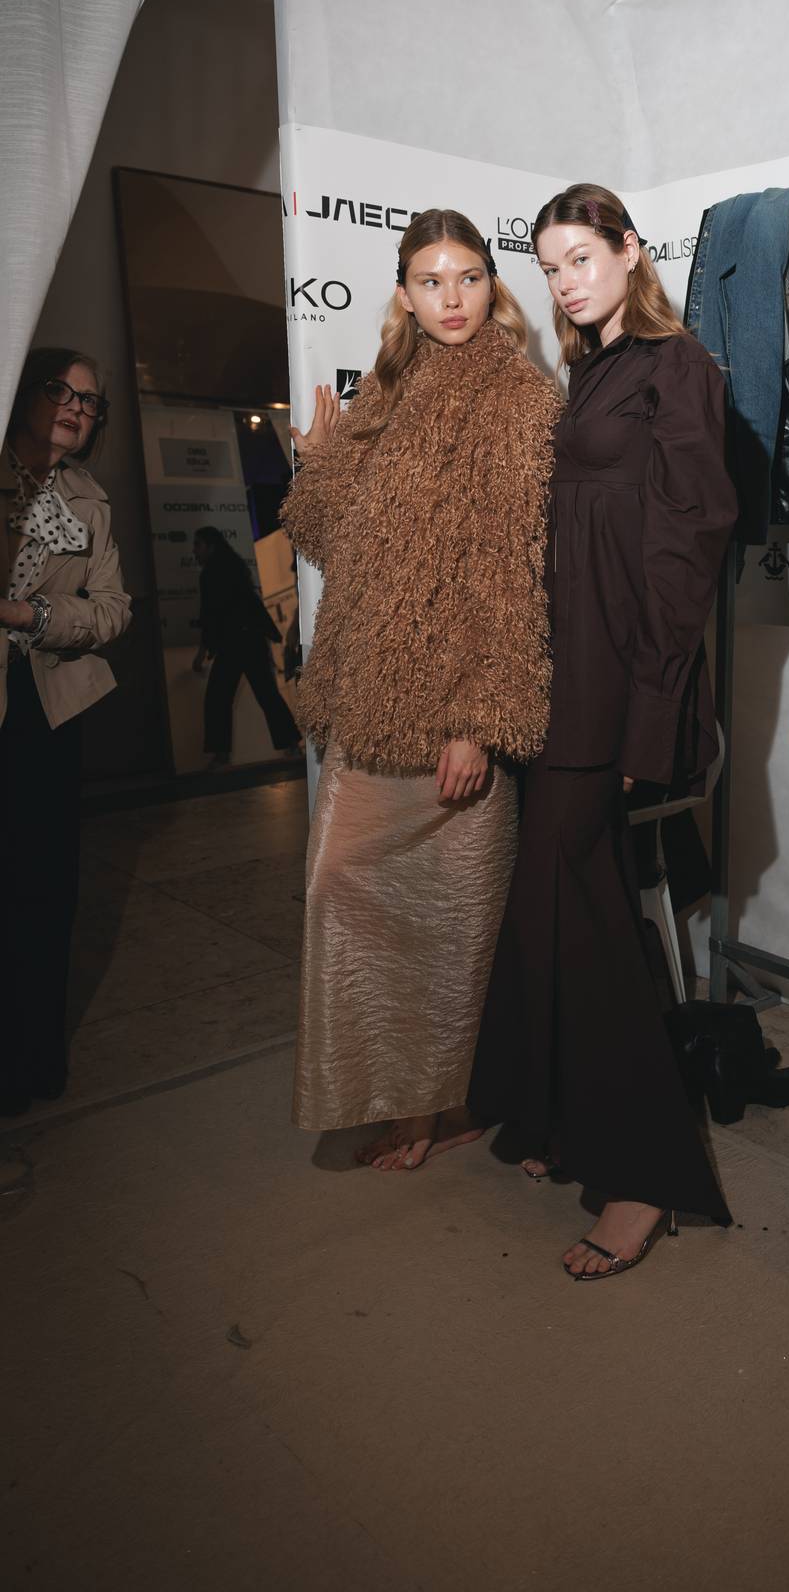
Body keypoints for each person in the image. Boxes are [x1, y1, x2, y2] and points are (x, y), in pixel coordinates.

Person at [469, 182, 738, 1281]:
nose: (565, 282)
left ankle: (642, 1177)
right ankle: (560, 1118)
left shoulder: (679, 369)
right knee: (555, 902)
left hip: (618, 685)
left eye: (581, 257)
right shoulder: (590, 372)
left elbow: (689, 545)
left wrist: (651, 712)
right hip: (559, 679)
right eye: (549, 266)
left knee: (578, 910)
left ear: (631, 250)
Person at [282, 208, 559, 1171]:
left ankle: (440, 1106)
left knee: (453, 926)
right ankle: (391, 1092)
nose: (452, 298)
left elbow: (512, 574)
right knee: (341, 891)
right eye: (432, 281)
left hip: (451, 706)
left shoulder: (518, 399)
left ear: (493, 286)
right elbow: (329, 540)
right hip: (369, 702)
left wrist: (478, 721)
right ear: (404, 293)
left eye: (469, 277)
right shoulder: (386, 392)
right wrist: (321, 461)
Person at [0, 347, 131, 1117]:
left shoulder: (90, 499)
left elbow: (113, 609)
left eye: (90, 401)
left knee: (43, 892)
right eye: (62, 391)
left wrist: (36, 614)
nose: (77, 408)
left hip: (46, 710)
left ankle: (32, 1062)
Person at [191, 525, 300, 766]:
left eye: (198, 545)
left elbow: (209, 614)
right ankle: (291, 744)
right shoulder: (235, 567)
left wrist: (202, 652)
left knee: (218, 698)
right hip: (251, 640)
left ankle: (221, 754)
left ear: (210, 546)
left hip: (233, 643)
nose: (194, 551)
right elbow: (248, 603)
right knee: (266, 694)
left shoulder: (210, 575)